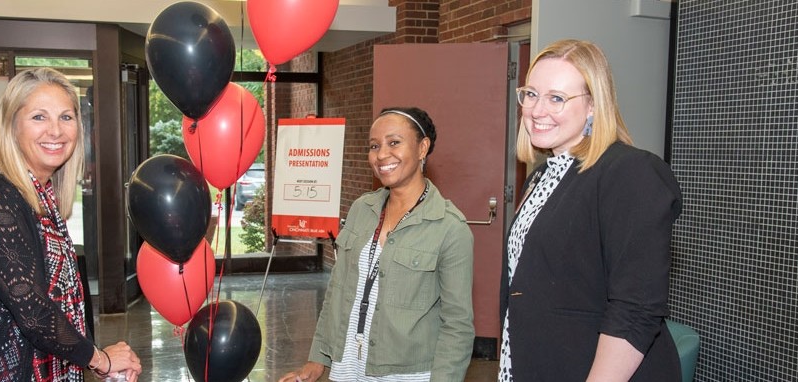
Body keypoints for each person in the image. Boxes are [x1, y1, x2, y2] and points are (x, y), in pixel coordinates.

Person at [498, 39, 682, 381]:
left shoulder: (630, 172)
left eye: (557, 98)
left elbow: (636, 308)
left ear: (594, 105)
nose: (538, 110)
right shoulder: (543, 174)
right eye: (531, 94)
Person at [0, 68, 142, 381]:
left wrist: (94, 356)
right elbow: (33, 311)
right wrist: (99, 359)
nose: (55, 131)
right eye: (39, 117)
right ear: (12, 126)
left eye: (66, 117)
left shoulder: (40, 199)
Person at [279, 107, 475, 382]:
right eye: (374, 146)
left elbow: (458, 326)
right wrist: (317, 358)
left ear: (422, 148)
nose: (382, 155)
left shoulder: (450, 227)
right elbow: (337, 290)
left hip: (407, 374)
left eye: (394, 143)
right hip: (347, 365)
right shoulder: (362, 209)